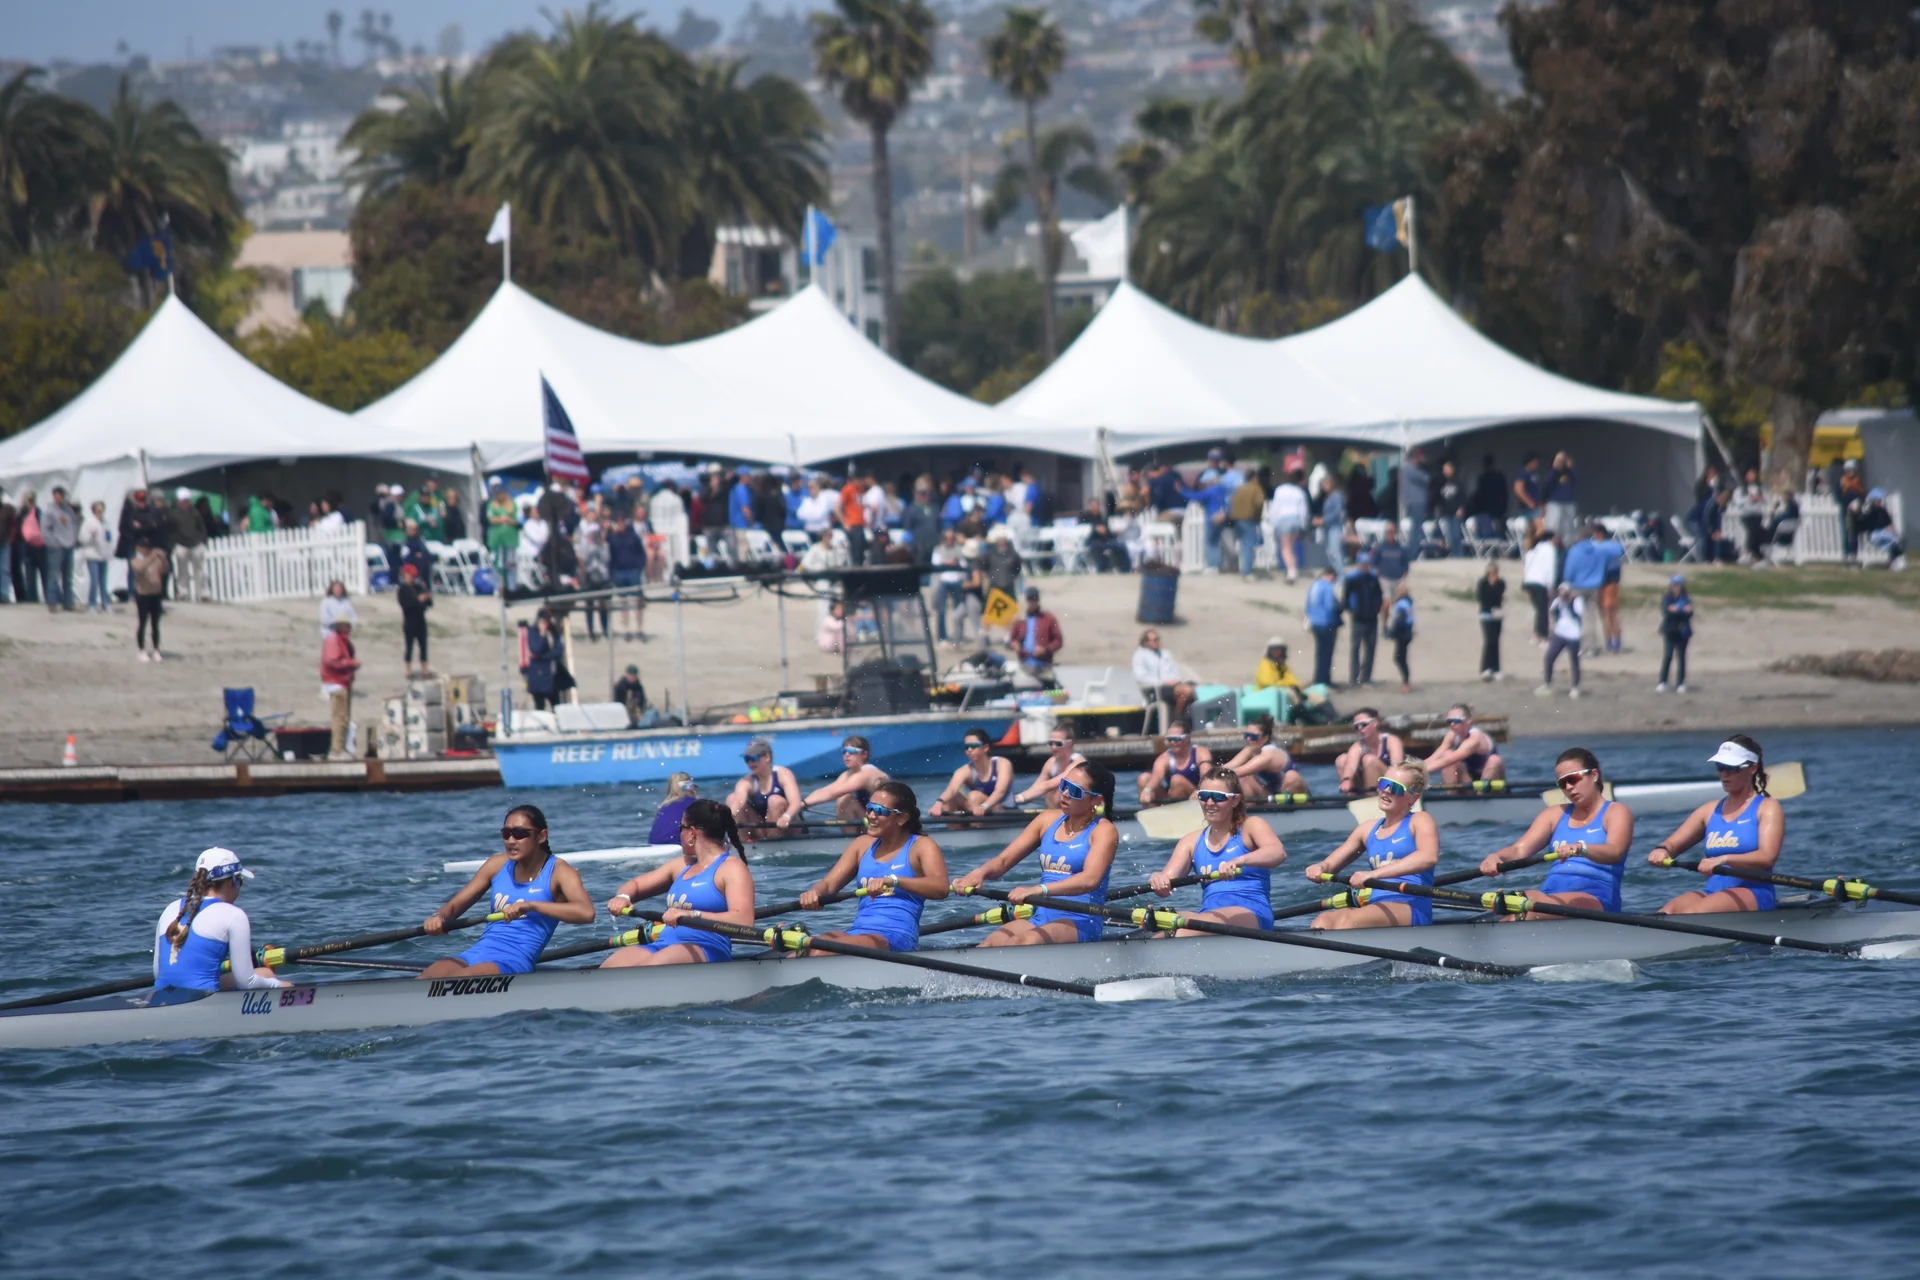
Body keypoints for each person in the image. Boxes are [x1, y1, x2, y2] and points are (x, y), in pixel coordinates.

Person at [953, 761, 1118, 946]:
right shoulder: (1047, 820)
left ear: (1096, 800)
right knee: (988, 945)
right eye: (1064, 785)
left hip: (1081, 921)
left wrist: (1039, 890)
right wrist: (979, 873)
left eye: (1074, 791)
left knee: (1020, 942)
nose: (1064, 793)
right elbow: (1003, 860)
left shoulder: (1103, 831)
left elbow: (1090, 879)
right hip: (1042, 916)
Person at [420, 805, 595, 978]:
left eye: (519, 834)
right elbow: (453, 906)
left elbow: (586, 913)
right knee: (431, 975)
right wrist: (439, 916)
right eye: (506, 834)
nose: (511, 841)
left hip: (513, 961)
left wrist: (531, 906)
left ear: (541, 836)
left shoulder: (560, 872)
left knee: (463, 979)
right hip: (476, 954)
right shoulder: (496, 865)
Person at [1477, 747, 1634, 914]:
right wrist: (1497, 857)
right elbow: (1519, 849)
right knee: (1507, 904)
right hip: (1547, 901)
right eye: (1562, 783)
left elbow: (1615, 851)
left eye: (1573, 779)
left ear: (1594, 775)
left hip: (1597, 900)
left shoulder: (1616, 812)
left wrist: (1581, 848)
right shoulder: (1554, 814)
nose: (1569, 787)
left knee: (1524, 902)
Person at [798, 782, 951, 953]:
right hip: (858, 933)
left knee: (820, 952)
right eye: (869, 808)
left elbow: (941, 888)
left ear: (902, 818)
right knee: (808, 947)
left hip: (895, 937)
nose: (871, 815)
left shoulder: (922, 846)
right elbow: (828, 884)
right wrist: (814, 892)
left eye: (879, 811)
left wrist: (894, 881)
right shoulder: (862, 845)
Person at [603, 799, 756, 966]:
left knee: (652, 966)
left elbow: (744, 920)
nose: (678, 834)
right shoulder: (681, 866)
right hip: (663, 943)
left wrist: (692, 914)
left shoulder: (731, 867)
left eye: (680, 827)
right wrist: (623, 897)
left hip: (706, 948)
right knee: (610, 966)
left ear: (692, 833)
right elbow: (636, 885)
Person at [1646, 736, 1785, 915]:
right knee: (1666, 913)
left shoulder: (1767, 808)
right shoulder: (1709, 810)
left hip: (1754, 892)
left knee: (1692, 914)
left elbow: (1767, 857)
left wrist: (1724, 859)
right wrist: (1662, 850)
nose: (1724, 774)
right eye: (1720, 767)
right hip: (1712, 892)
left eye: (1731, 768)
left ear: (1753, 768)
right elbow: (1672, 844)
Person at [1149, 764, 1288, 929]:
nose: (1209, 803)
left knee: (1184, 929)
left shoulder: (1251, 826)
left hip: (1251, 913)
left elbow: (1277, 852)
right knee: (1157, 922)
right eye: (1204, 796)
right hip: (1208, 918)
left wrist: (1239, 861)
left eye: (1218, 797)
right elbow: (1167, 882)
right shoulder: (1190, 842)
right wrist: (1158, 878)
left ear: (1235, 800)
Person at [1305, 761, 1439, 929]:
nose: (1386, 790)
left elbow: (1428, 857)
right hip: (1376, 905)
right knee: (1322, 921)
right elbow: (1330, 864)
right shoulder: (1367, 829)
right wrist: (1320, 867)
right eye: (1384, 783)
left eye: (1396, 788)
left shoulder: (1420, 820)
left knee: (1347, 921)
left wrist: (1373, 874)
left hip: (1410, 905)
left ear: (1413, 798)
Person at [153, 848, 287, 994]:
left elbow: (157, 972)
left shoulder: (170, 909)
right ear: (232, 882)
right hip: (202, 1001)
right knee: (268, 975)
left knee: (263, 973)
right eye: (240, 881)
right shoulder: (234, 915)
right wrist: (281, 986)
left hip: (161, 997)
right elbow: (246, 983)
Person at [785, 735, 890, 826]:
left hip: (886, 822)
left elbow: (832, 793)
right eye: (844, 751)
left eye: (851, 751)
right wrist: (801, 803)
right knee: (844, 798)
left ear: (864, 754)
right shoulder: (848, 774)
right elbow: (827, 790)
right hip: (872, 819)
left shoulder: (867, 773)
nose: (846, 755)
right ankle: (852, 837)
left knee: (846, 801)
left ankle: (849, 839)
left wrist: (801, 805)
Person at [1221, 713, 1306, 801]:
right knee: (1244, 779)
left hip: (1293, 796)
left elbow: (1238, 772)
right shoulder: (1251, 748)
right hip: (1272, 794)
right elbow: (1228, 767)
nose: (1248, 739)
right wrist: (1213, 770)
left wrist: (1216, 775)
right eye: (1246, 735)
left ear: (1265, 738)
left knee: (1292, 776)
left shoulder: (1269, 754)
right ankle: (1249, 806)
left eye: (1253, 737)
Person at [929, 728, 1013, 816]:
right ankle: (956, 825)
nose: (969, 750)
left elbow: (1000, 791)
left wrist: (984, 806)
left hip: (1003, 810)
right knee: (951, 799)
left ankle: (976, 823)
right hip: (978, 810)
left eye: (973, 746)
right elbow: (951, 790)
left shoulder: (1002, 763)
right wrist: (938, 803)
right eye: (966, 747)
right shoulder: (964, 770)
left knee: (974, 796)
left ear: (986, 747)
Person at [729, 736, 802, 833]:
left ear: (767, 757)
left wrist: (786, 816)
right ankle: (740, 840)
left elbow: (796, 802)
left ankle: (774, 840)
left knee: (774, 800)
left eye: (753, 758)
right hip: (763, 830)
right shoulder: (746, 782)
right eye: (747, 759)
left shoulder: (783, 774)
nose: (750, 763)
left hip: (789, 827)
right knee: (731, 798)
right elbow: (738, 802)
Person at [1424, 704, 1506, 787]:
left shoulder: (1475, 737)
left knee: (1495, 760)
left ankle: (1482, 794)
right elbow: (1436, 756)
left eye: (1456, 721)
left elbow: (1449, 760)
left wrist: (1423, 771)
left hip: (1491, 782)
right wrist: (1418, 767)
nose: (1452, 724)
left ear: (1468, 721)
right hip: (1469, 780)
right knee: (1447, 754)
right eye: (1449, 721)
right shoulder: (1452, 735)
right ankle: (1451, 793)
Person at [1136, 718, 1212, 805]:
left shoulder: (1201, 753)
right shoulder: (1164, 758)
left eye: (1177, 739)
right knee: (1143, 778)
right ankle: (1152, 809)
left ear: (1187, 738)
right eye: (1170, 739)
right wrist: (1148, 790)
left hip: (1198, 795)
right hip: (1172, 797)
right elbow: (1157, 776)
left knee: (1177, 780)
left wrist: (1200, 791)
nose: (1172, 742)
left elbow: (1207, 777)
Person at [1012, 724, 1087, 808]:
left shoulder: (1079, 762)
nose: (1053, 747)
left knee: (1059, 789)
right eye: (1051, 743)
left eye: (1058, 743)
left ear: (1070, 743)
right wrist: (1016, 798)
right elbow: (1037, 786)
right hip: (1059, 807)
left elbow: (1048, 785)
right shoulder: (1051, 762)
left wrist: (1020, 798)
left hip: (1079, 807)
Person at [1333, 707, 1404, 794]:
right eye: (1356, 726)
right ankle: (1351, 797)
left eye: (1364, 724)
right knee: (1341, 759)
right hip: (1369, 786)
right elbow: (1350, 766)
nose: (1360, 728)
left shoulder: (1391, 741)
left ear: (1375, 723)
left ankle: (1371, 796)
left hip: (1394, 786)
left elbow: (1397, 770)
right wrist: (1346, 780)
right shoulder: (1358, 746)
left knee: (1369, 760)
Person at [1132, 628, 1195, 721]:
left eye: (1158, 639)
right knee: (1186, 692)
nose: (1158, 642)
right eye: (1154, 640)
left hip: (1172, 686)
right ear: (1146, 642)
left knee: (1195, 689)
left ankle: (1190, 719)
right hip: (1156, 688)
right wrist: (1163, 682)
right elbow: (1141, 677)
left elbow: (1174, 671)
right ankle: (1178, 720)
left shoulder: (1165, 654)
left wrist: (1176, 680)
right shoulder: (1140, 656)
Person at [1342, 552, 1383, 688]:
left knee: (1370, 648)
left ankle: (1366, 678)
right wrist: (1351, 610)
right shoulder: (1352, 578)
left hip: (1371, 618)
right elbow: (1345, 597)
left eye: (1367, 564)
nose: (1365, 567)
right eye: (1363, 564)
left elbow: (1379, 595)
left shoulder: (1373, 578)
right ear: (1359, 564)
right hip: (1358, 618)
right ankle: (1353, 677)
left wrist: (1377, 608)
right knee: (1355, 648)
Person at [321, 617, 360, 758]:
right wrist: (351, 663)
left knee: (344, 718)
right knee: (339, 718)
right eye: (347, 625)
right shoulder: (333, 640)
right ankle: (336, 750)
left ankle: (341, 748)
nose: (350, 628)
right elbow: (332, 661)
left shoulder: (342, 641)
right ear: (341, 626)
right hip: (336, 683)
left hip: (343, 682)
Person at [1539, 583, 1584, 698]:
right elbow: (1552, 612)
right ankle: (1547, 684)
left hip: (1573, 635)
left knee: (1574, 661)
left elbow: (1577, 615)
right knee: (1549, 658)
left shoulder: (1577, 601)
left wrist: (1569, 603)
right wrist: (1557, 604)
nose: (1561, 593)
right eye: (1560, 591)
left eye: (1563, 591)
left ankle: (1575, 687)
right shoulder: (1558, 601)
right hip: (1559, 633)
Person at [607, 515, 647, 639]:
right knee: (623, 602)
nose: (620, 525)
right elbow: (609, 554)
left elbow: (641, 553)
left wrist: (639, 568)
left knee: (637, 601)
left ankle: (639, 629)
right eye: (618, 523)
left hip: (633, 571)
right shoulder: (612, 538)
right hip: (619, 572)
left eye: (621, 522)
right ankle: (627, 629)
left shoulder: (633, 536)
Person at [132, 535, 170, 661]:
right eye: (144, 547)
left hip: (156, 594)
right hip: (143, 594)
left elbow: (165, 570)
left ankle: (156, 649)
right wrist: (151, 557)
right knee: (142, 623)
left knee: (155, 624)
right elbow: (140, 569)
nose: (147, 550)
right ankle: (141, 649)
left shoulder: (155, 560)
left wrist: (164, 559)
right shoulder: (136, 560)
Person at [1008, 587, 1063, 673]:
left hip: (1043, 664)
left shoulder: (1048, 618)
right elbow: (1011, 640)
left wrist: (1045, 650)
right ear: (1027, 600)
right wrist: (1014, 644)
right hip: (1024, 663)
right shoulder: (1020, 620)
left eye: (1035, 599)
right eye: (1030, 599)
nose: (1033, 602)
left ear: (1038, 600)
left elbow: (1058, 640)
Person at [40, 486, 77, 611]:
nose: (59, 497)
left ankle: (68, 602)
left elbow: (73, 525)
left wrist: (73, 540)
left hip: (68, 546)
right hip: (56, 547)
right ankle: (52, 602)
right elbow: (45, 529)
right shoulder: (49, 511)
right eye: (57, 495)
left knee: (68, 576)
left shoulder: (68, 510)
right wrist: (53, 542)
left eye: (61, 495)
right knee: (54, 575)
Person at [1268, 468, 1309, 581]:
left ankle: (1291, 571)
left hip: (1284, 519)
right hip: (1296, 520)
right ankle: (1293, 568)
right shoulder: (1299, 491)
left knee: (1285, 548)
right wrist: (1303, 524)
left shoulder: (1280, 490)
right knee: (1291, 547)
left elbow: (1275, 507)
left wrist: (1273, 523)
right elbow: (1303, 510)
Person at [931, 528, 971, 645]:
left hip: (956, 580)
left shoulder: (959, 550)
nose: (949, 540)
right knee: (941, 610)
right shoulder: (938, 549)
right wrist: (947, 562)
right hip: (943, 581)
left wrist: (957, 562)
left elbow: (964, 564)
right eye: (946, 538)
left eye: (951, 538)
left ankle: (959, 636)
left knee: (959, 610)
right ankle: (942, 637)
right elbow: (935, 563)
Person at [169, 489, 208, 603]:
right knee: (182, 570)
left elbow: (201, 527)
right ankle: (183, 593)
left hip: (196, 543)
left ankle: (202, 593)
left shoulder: (195, 512)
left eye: (187, 500)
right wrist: (174, 543)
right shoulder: (173, 514)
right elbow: (170, 530)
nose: (185, 502)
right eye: (183, 500)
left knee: (200, 570)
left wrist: (202, 541)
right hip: (181, 544)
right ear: (179, 501)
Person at [1306, 565, 1342, 687]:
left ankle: (1318, 678)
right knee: (1326, 653)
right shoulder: (1327, 587)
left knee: (1319, 652)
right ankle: (1324, 680)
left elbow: (1308, 606)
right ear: (1331, 575)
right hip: (1326, 623)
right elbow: (1330, 606)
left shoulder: (1314, 586)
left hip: (1315, 623)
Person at [1656, 575, 1693, 693]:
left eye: (1678, 585)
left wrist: (1677, 610)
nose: (1676, 587)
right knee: (1668, 656)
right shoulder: (1667, 598)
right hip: (1670, 630)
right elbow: (1666, 612)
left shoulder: (1686, 598)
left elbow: (1689, 613)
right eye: (1674, 585)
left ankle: (1681, 683)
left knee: (1681, 657)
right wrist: (1679, 610)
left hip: (1683, 632)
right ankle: (1663, 681)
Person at [1227, 468, 1266, 576]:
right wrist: (1258, 516)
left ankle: (1243, 568)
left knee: (1243, 545)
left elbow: (1231, 503)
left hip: (1237, 520)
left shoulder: (1239, 489)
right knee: (1249, 545)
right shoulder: (1256, 488)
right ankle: (1247, 571)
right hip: (1250, 519)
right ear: (1255, 478)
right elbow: (1259, 503)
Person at [397, 562, 432, 677]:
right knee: (409, 646)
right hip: (409, 621)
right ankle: (409, 669)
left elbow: (428, 604)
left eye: (412, 576)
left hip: (420, 620)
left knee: (423, 646)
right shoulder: (402, 590)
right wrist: (418, 600)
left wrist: (426, 599)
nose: (411, 578)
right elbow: (406, 605)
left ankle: (425, 669)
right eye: (409, 576)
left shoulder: (418, 587)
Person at [1522, 529, 1557, 645]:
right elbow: (1550, 569)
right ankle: (1544, 637)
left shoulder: (1533, 549)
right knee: (1543, 611)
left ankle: (1536, 634)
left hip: (1529, 581)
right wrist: (1550, 586)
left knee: (1538, 609)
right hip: (1541, 582)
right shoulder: (1550, 549)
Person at [1858, 489, 1907, 570]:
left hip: (1886, 534)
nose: (1879, 502)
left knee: (1898, 542)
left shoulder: (1883, 511)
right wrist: (1884, 528)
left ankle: (1895, 561)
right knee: (1895, 542)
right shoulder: (1870, 512)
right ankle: (1896, 562)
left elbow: (1889, 522)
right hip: (1876, 534)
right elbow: (1868, 525)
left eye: (1880, 500)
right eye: (1877, 500)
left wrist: (1891, 528)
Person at [485, 483, 521, 591]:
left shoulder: (512, 504)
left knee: (510, 563)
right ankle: (497, 587)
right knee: (496, 563)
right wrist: (504, 519)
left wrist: (506, 519)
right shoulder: (492, 505)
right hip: (496, 539)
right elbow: (491, 519)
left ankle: (511, 587)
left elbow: (517, 520)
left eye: (500, 493)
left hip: (510, 539)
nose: (498, 496)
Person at [79, 500, 113, 613]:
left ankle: (105, 603)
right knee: (94, 580)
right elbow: (82, 538)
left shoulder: (106, 522)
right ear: (94, 511)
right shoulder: (89, 522)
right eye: (98, 511)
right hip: (92, 555)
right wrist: (91, 536)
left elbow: (108, 537)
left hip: (103, 555)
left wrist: (109, 549)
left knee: (103, 581)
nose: (100, 513)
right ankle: (92, 604)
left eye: (102, 511)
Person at [648, 774, 699, 845]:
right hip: (677, 845)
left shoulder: (663, 807)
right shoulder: (695, 804)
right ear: (691, 788)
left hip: (654, 845)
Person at [522, 613, 559, 711]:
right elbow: (536, 649)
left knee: (556, 704)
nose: (545, 625)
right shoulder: (533, 632)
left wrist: (544, 657)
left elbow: (558, 651)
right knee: (539, 705)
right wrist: (542, 635)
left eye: (547, 622)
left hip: (551, 674)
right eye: (543, 622)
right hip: (538, 674)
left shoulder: (552, 632)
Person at [1476, 560, 1505, 680]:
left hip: (1497, 615)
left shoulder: (1501, 583)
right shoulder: (1482, 582)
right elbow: (1481, 598)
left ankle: (1496, 668)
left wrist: (1495, 585)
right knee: (1489, 641)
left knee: (1496, 641)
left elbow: (1499, 598)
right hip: (1486, 614)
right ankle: (1485, 668)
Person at [1542, 451, 1578, 544]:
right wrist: (1555, 467)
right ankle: (1550, 544)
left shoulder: (1569, 473)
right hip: (1555, 503)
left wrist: (1570, 467)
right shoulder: (1552, 472)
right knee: (1553, 526)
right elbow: (1547, 483)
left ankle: (1567, 546)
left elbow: (1575, 480)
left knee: (1568, 527)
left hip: (1568, 502)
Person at [1471, 453, 1509, 541]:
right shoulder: (1499, 476)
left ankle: (1490, 548)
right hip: (1498, 509)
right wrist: (1504, 507)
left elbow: (1479, 495)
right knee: (1500, 534)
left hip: (1485, 510)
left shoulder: (1483, 478)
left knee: (1487, 536)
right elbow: (1504, 494)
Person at [1386, 582, 1415, 693]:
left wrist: (1392, 633)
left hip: (1402, 635)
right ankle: (1406, 682)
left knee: (1399, 659)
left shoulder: (1401, 605)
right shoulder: (1408, 602)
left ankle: (1406, 683)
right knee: (1401, 658)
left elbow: (1400, 621)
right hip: (1407, 634)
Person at [1314, 473, 1346, 573]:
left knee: (1334, 552)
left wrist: (1324, 520)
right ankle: (1333, 574)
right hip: (1327, 528)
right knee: (1329, 552)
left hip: (1335, 527)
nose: (1323, 486)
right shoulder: (1327, 497)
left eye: (1326, 483)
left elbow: (1337, 512)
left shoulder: (1336, 496)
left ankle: (1340, 575)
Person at [1436, 459, 1468, 556]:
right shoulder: (1443, 483)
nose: (1444, 471)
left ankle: (1459, 555)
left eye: (1446, 469)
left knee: (1456, 535)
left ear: (1452, 469)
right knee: (1448, 536)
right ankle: (1453, 554)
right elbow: (1439, 498)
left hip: (1455, 513)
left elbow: (1463, 497)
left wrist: (1461, 508)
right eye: (1443, 469)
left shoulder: (1458, 482)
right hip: (1446, 513)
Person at [1513, 453, 1545, 536]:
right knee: (1540, 529)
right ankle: (1538, 542)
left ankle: (1532, 542)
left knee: (1531, 531)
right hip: (1530, 508)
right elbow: (1518, 489)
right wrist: (1529, 502)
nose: (1537, 464)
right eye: (1536, 462)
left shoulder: (1534, 474)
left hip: (1536, 506)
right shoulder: (1524, 473)